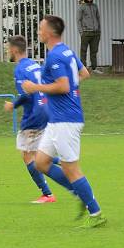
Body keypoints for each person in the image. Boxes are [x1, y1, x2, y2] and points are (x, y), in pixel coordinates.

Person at [21, 15, 105, 228]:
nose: (39, 32)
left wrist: (36, 87)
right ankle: (79, 194)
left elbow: (64, 86)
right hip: (57, 120)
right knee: (41, 162)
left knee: (72, 169)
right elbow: (84, 73)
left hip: (66, 120)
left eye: (40, 29)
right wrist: (71, 92)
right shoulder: (67, 51)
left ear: (49, 32)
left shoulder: (55, 56)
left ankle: (95, 213)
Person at [4, 35, 72, 204]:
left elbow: (26, 95)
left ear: (13, 50)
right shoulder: (35, 65)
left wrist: (13, 105)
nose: (7, 52)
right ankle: (62, 163)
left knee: (27, 156)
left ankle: (47, 194)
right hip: (47, 109)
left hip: (34, 114)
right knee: (36, 151)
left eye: (7, 49)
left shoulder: (19, 70)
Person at [77, 0, 102, 73]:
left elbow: (98, 18)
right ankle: (83, 69)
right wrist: (81, 32)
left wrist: (99, 30)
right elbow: (78, 20)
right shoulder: (82, 7)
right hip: (86, 32)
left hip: (95, 33)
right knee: (83, 51)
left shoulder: (95, 6)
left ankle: (94, 68)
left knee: (94, 51)